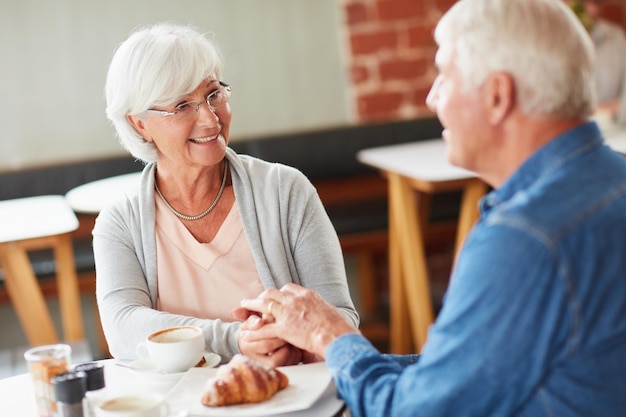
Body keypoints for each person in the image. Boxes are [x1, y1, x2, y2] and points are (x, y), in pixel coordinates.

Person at [234, 0, 626, 415]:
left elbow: (416, 411)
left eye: (445, 75)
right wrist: (332, 351)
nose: (432, 96)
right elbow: (467, 375)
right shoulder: (612, 177)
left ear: (497, 95)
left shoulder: (522, 240)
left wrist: (330, 335)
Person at [94, 22, 358, 367]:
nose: (209, 118)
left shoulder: (285, 190)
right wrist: (236, 339)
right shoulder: (121, 221)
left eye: (213, 94)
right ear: (138, 124)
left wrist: (298, 342)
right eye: (182, 106)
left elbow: (340, 319)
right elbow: (123, 329)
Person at [574, 0, 626, 124]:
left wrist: (620, 109)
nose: (592, 10)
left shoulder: (616, 36)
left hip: (614, 130)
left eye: (598, 2)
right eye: (584, 2)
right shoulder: (553, 39)